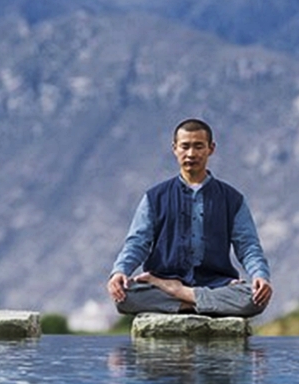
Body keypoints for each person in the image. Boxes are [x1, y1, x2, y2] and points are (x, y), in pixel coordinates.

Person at [107, 118, 272, 317]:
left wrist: (260, 276)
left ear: (211, 149)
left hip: (215, 283)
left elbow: (248, 246)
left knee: (253, 299)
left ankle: (180, 294)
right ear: (175, 148)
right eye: (185, 146)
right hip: (162, 280)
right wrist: (120, 272)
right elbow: (137, 242)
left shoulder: (232, 199)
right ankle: (202, 302)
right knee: (125, 297)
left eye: (198, 146)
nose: (191, 154)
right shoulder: (154, 197)